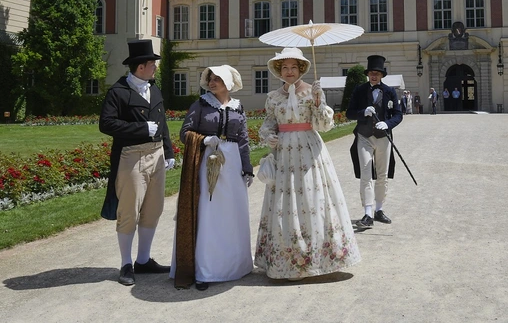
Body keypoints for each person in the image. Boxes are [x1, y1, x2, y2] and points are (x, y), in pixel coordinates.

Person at [255, 47, 361, 279]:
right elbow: (268, 123)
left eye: (294, 67)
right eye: (285, 67)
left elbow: (324, 125)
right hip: (283, 152)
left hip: (308, 151)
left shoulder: (312, 93)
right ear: (279, 70)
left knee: (313, 200)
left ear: (302, 68)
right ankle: (286, 261)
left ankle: (317, 259)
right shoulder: (273, 97)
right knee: (285, 203)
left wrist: (318, 102)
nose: (289, 71)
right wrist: (268, 136)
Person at [99, 39, 176, 287]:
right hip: (130, 156)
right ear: (140, 66)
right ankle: (126, 263)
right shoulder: (118, 92)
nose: (155, 67)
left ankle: (143, 260)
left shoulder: (154, 89)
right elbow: (106, 124)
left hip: (156, 155)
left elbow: (162, 124)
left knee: (153, 209)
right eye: (152, 63)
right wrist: (140, 128)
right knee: (129, 211)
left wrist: (169, 151)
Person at [171, 65, 253, 290]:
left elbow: (243, 140)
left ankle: (236, 266)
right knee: (209, 215)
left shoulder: (238, 107)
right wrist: (204, 140)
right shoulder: (200, 104)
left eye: (217, 79)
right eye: (210, 78)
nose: (212, 82)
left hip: (233, 164)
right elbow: (184, 133)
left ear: (228, 82)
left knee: (232, 215)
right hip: (209, 162)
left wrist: (247, 168)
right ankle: (205, 270)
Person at [346, 55, 404, 228]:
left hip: (383, 138)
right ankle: (367, 213)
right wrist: (363, 112)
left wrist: (387, 123)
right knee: (366, 175)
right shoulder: (359, 90)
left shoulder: (390, 91)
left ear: (382, 75)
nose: (374, 76)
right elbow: (349, 113)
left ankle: (379, 209)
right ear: (368, 73)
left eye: (377, 73)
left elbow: (398, 115)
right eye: (371, 73)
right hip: (364, 137)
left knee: (382, 175)